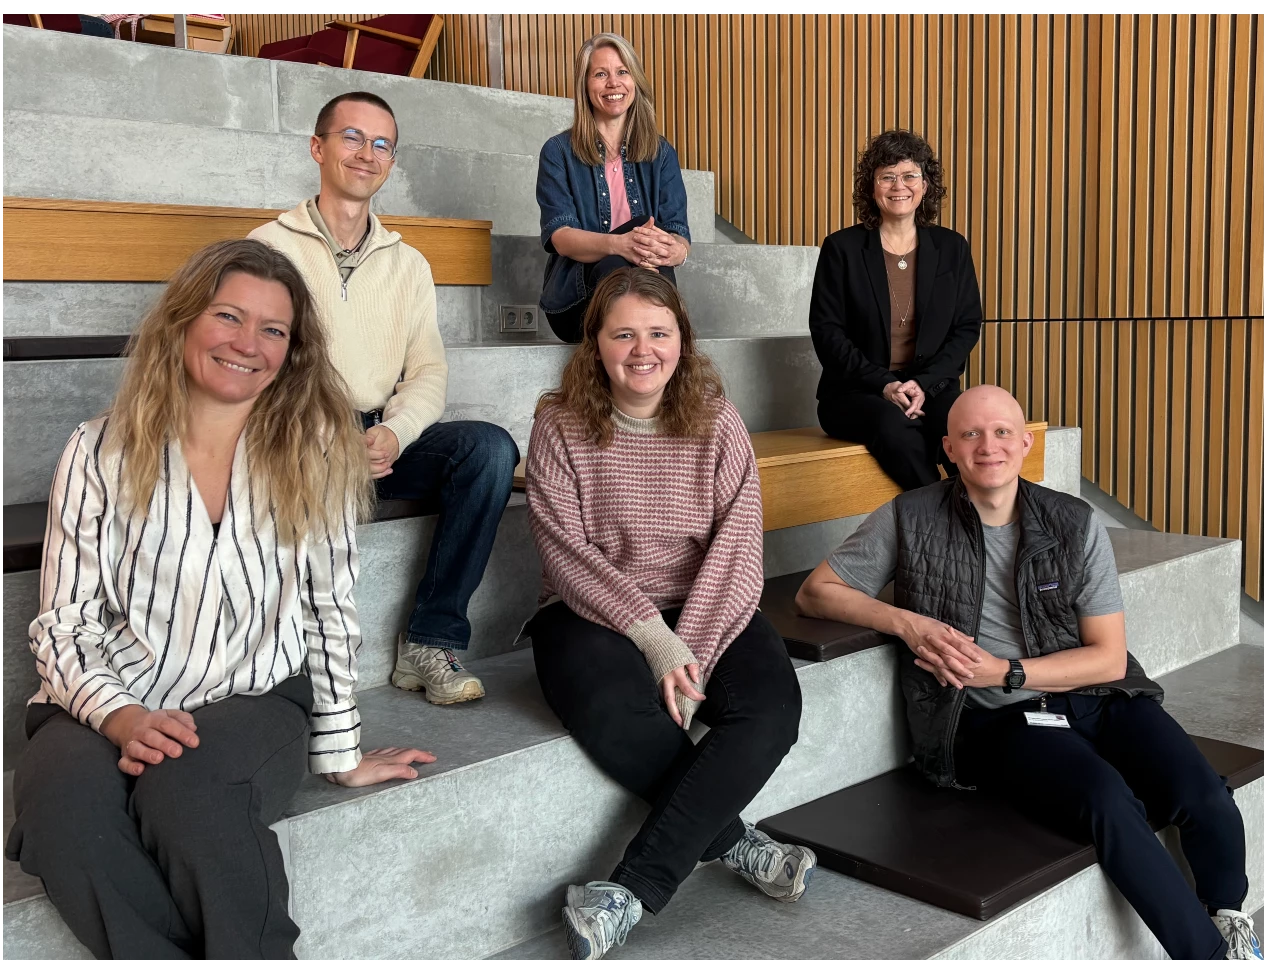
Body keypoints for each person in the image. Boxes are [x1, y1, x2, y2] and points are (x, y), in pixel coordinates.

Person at [4, 239, 434, 960]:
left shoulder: (316, 452)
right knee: (62, 816)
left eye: (273, 329)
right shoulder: (97, 449)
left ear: (292, 352)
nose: (247, 344)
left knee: (190, 795)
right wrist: (121, 717)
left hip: (254, 696)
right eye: (228, 316)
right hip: (101, 696)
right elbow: (64, 623)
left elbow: (330, 609)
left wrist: (340, 748)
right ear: (183, 321)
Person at [795, 385, 1263, 960]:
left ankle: (1229, 917)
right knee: (1108, 801)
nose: (987, 446)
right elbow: (816, 592)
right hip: (999, 720)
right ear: (948, 448)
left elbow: (1109, 658)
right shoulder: (909, 516)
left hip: (1096, 693)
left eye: (1001, 432)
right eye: (970, 434)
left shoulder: (1072, 521)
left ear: (1025, 444)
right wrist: (906, 623)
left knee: (1202, 792)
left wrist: (1005, 670)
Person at [524, 268, 814, 960]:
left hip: (706, 599)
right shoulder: (559, 423)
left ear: (682, 340)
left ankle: (629, 892)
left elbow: (739, 548)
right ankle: (734, 841)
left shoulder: (716, 419)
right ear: (595, 344)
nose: (642, 350)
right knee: (611, 707)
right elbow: (564, 551)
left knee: (773, 710)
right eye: (623, 333)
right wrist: (656, 641)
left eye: (658, 333)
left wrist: (694, 652)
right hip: (591, 606)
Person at [251, 91, 520, 706]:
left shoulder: (409, 265)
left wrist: (396, 432)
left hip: (382, 436)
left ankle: (429, 641)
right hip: (300, 436)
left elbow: (427, 372)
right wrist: (331, 436)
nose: (366, 153)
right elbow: (257, 367)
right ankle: (291, 658)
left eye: (381, 145)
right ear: (317, 148)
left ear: (391, 162)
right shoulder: (267, 249)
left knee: (489, 451)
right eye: (351, 137)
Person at [809, 129, 982, 491]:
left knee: (964, 426)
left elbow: (966, 326)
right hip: (856, 393)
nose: (898, 186)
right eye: (887, 176)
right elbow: (827, 331)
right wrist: (885, 384)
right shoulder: (842, 248)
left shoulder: (952, 248)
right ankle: (941, 513)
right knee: (896, 427)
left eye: (909, 175)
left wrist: (923, 384)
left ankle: (981, 513)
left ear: (926, 185)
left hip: (931, 387)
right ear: (871, 188)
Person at [536, 32, 691, 344]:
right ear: (585, 85)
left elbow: (677, 232)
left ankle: (656, 342)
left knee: (647, 238)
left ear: (635, 81)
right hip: (577, 304)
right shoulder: (558, 151)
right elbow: (560, 237)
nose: (613, 83)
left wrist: (678, 251)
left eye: (622, 72)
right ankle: (670, 343)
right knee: (628, 248)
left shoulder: (661, 153)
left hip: (645, 287)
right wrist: (621, 245)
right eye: (600, 74)